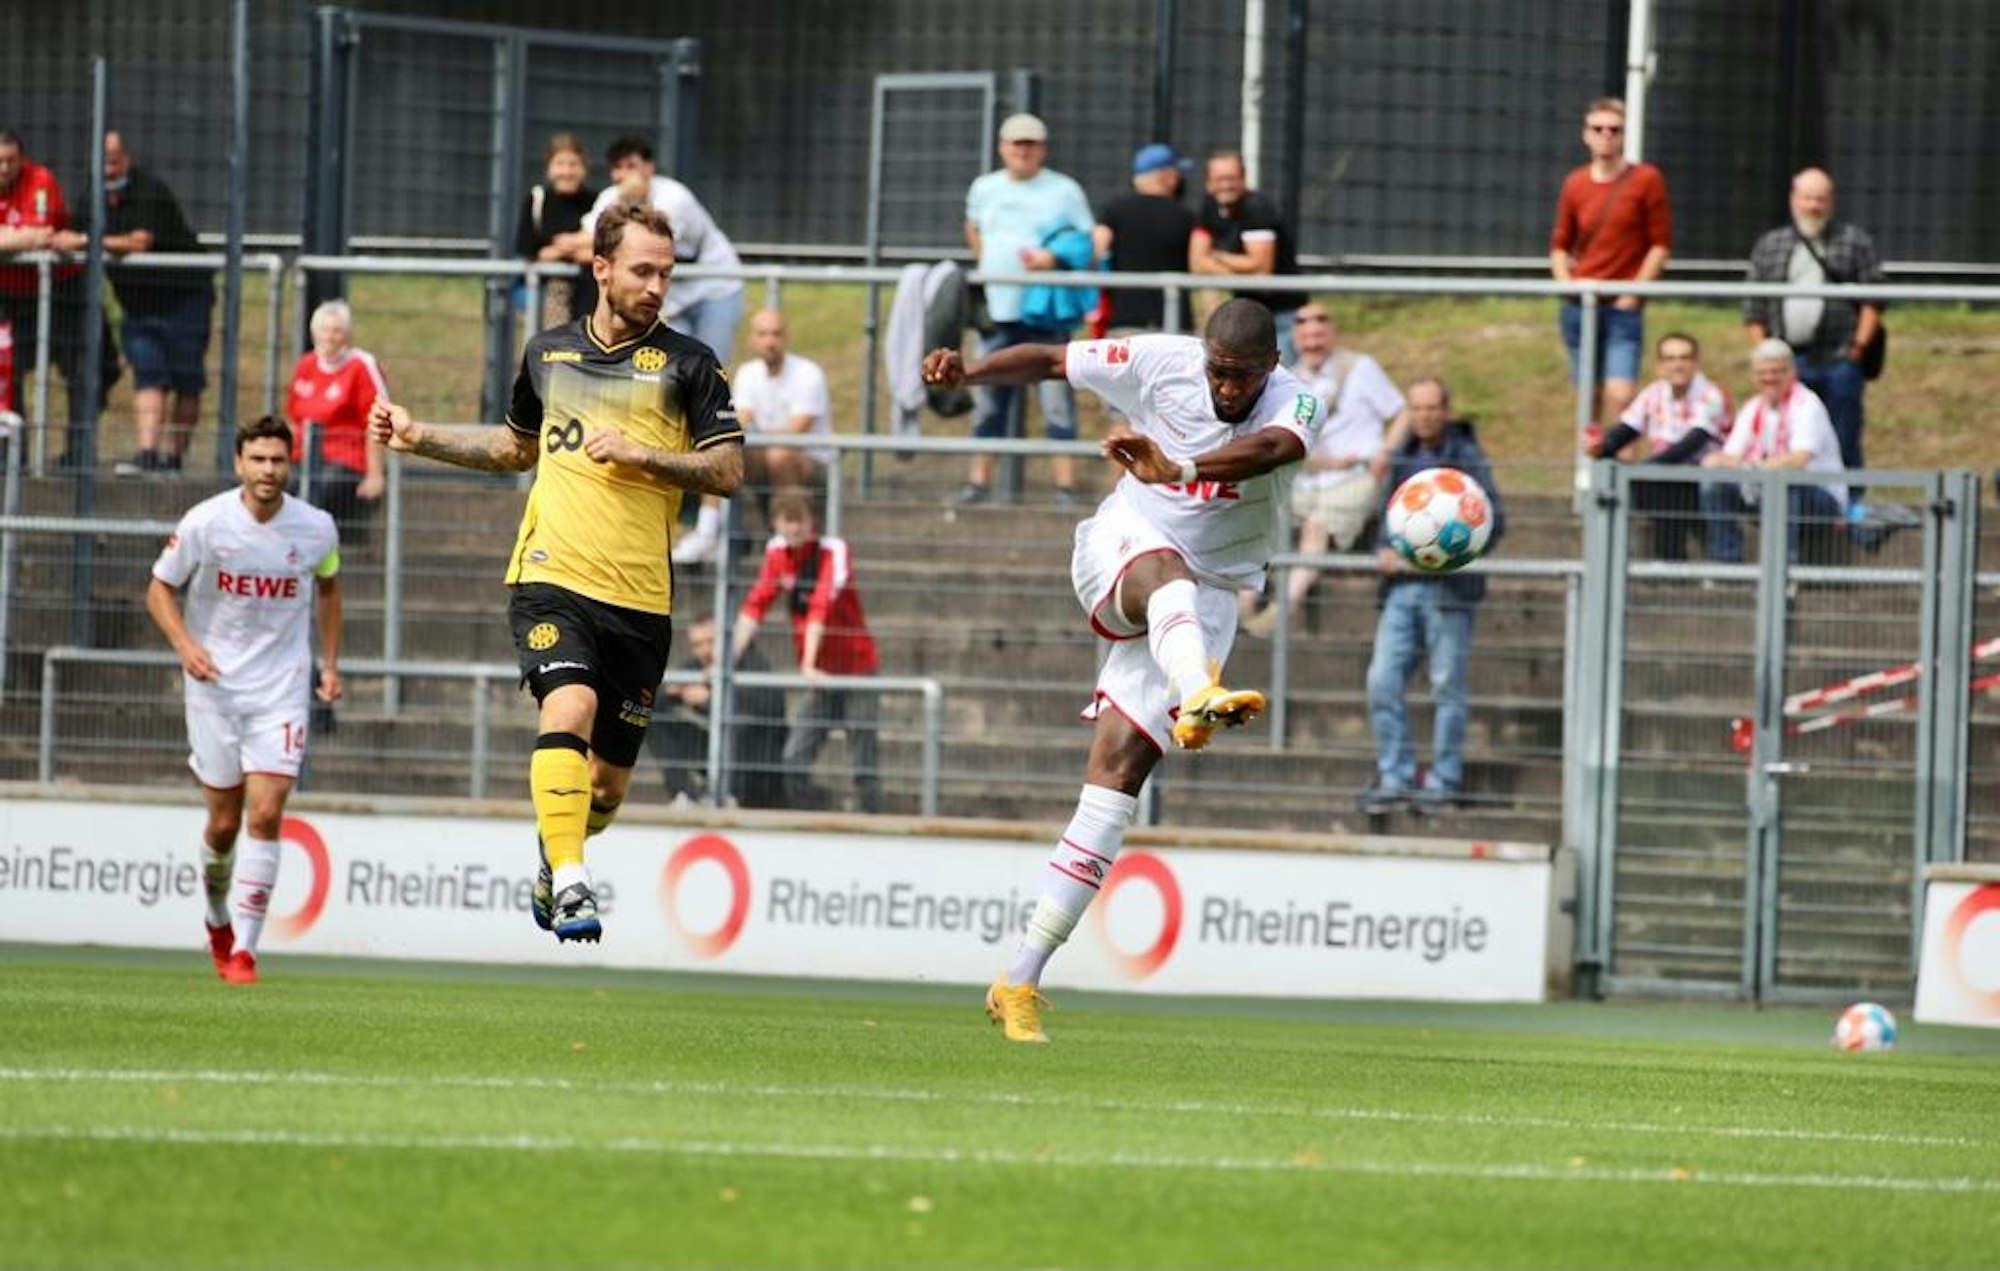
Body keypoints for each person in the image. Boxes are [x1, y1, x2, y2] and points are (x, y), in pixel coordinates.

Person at [922, 298, 1322, 1043]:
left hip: (1206, 598)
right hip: (1124, 545)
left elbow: (1271, 450)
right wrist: (968, 373)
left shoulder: (1298, 401)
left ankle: (1018, 978)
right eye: (1217, 372)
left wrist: (1182, 465)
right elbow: (1051, 359)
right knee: (1165, 570)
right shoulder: (1160, 361)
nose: (1225, 387)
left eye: (1241, 376)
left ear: (1271, 365)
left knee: (1113, 784)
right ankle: (1198, 691)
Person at [369, 203, 743, 944]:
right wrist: (420, 439)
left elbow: (728, 470)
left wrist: (644, 456)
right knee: (567, 707)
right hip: (552, 575)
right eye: (642, 270)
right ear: (600, 268)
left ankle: (557, 850)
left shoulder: (691, 363)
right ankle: (572, 880)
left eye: (666, 273)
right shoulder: (547, 353)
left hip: (640, 599)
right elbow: (517, 449)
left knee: (605, 786)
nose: (656, 286)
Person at [145, 415, 343, 987]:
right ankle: (216, 917)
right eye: (258, 459)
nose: (268, 470)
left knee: (266, 813)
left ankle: (246, 952)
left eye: (277, 460)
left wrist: (330, 664)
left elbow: (330, 587)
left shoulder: (317, 528)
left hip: (282, 689)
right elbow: (159, 588)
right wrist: (185, 646)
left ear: (290, 464)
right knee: (225, 823)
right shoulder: (206, 522)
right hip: (215, 689)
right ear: (239, 463)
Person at [1360, 378, 1507, 816]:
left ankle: (1443, 781)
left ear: (1445, 410)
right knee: (1382, 683)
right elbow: (1386, 519)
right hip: (1402, 591)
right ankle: (1395, 777)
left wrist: (1456, 552)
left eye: (1431, 408)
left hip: (1449, 591)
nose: (1424, 416)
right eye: (1416, 408)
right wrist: (1384, 549)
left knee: (1447, 687)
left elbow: (1495, 520)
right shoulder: (1402, 457)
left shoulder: (1468, 457)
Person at [950, 112, 1094, 507]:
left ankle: (1065, 487)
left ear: (1042, 148)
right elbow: (974, 229)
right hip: (996, 311)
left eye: (1030, 143)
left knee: (1056, 401)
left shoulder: (1064, 190)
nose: (1023, 150)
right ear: (1003, 147)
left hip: (1045, 312)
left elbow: (1086, 240)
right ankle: (979, 483)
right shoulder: (985, 187)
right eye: (1017, 143)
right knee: (987, 397)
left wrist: (1053, 259)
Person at [58, 132, 214, 478]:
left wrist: (86, 240)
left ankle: (174, 459)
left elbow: (139, 242)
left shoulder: (148, 189)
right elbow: (71, 235)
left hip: (185, 296)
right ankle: (147, 453)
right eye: (103, 161)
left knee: (186, 378)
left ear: (126, 158)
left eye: (114, 160)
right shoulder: (90, 196)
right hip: (139, 304)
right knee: (148, 375)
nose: (109, 169)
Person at [1243, 303, 1404, 636]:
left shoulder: (1360, 368)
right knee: (1258, 513)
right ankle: (1243, 605)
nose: (1313, 342)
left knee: (1315, 528)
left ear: (1332, 333)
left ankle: (1280, 613)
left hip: (1355, 477)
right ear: (1295, 339)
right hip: (1305, 479)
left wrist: (1385, 451)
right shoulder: (1288, 378)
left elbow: (1402, 412)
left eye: (1319, 333)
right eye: (1306, 335)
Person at [732, 486, 883, 814]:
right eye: (787, 520)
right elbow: (756, 605)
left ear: (813, 521)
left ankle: (868, 820)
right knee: (794, 759)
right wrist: (727, 661)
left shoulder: (834, 551)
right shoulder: (777, 553)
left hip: (855, 670)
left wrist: (808, 664)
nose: (794, 528)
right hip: (818, 675)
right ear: (775, 523)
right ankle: (823, 814)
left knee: (864, 763)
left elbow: (821, 606)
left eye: (800, 520)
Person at [1742, 167, 1885, 485]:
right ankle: (1790, 500)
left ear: (1831, 201)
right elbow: (1753, 305)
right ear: (1793, 199)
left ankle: (1849, 504)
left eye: (1820, 199)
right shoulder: (1771, 243)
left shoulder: (1853, 241)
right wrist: (1766, 354)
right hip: (1787, 361)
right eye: (1807, 198)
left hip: (1839, 358)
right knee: (1786, 436)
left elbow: (1874, 299)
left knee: (1845, 435)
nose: (1813, 205)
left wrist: (1858, 348)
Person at [1548, 98, 1672, 436]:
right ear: (1586, 134)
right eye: (1598, 129)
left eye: (1614, 130)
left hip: (1622, 305)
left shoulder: (1646, 180)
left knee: (1623, 396)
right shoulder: (1575, 183)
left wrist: (1634, 291)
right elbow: (1560, 244)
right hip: (1582, 304)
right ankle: (1589, 462)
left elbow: (1660, 244)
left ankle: (1622, 462)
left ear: (1624, 135)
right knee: (1588, 396)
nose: (1606, 136)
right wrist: (1567, 286)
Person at [674, 307, 832, 565]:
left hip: (812, 463)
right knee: (721, 450)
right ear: (752, 338)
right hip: (766, 457)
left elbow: (797, 430)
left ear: (786, 337)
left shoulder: (808, 373)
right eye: (763, 334)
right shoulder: (748, 373)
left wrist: (753, 433)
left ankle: (786, 538)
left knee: (780, 455)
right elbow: (742, 422)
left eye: (776, 334)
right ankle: (707, 531)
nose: (770, 341)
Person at [0, 129, 118, 465]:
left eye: (10, 161)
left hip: (61, 290)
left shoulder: (40, 180)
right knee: (6, 373)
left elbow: (42, 234)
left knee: (82, 371)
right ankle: (12, 458)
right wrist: (18, 238)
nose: (4, 168)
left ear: (22, 159)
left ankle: (78, 456)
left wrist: (13, 238)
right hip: (9, 296)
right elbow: (28, 237)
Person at [578, 134, 743, 364]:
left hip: (714, 287)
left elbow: (644, 246)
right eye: (618, 167)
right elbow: (585, 239)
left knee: (709, 365)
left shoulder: (674, 197)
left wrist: (590, 247)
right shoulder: (611, 196)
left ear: (649, 167)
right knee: (671, 366)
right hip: (669, 294)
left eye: (631, 166)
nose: (625, 174)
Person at [1699, 338, 1847, 565]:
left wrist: (1751, 468)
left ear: (1792, 372)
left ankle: (1783, 568)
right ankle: (1725, 563)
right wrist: (1715, 461)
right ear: (1753, 375)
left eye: (1776, 372)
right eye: (1762, 372)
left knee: (1783, 482)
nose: (1769, 378)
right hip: (1762, 489)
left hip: (1819, 499)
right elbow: (1731, 455)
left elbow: (1799, 460)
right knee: (1713, 482)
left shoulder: (1807, 404)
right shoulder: (1754, 406)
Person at [1587, 331, 1729, 560]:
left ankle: (1679, 561)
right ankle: (1654, 560)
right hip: (1663, 478)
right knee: (1617, 471)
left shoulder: (1711, 394)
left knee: (1657, 484)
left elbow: (1693, 442)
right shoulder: (1653, 393)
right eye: (1670, 359)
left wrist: (1645, 469)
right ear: (1659, 365)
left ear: (1696, 362)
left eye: (1684, 358)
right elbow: (1626, 430)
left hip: (1703, 479)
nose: (1677, 365)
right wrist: (1601, 448)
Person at [648, 616, 787, 809]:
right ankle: (687, 795)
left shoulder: (753, 663)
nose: (705, 650)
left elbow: (765, 712)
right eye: (697, 644)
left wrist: (710, 701)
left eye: (711, 641)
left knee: (744, 727)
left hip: (754, 762)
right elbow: (662, 693)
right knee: (652, 714)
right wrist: (673, 693)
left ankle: (730, 796)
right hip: (714, 751)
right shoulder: (697, 665)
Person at [285, 299, 388, 534]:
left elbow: (377, 422)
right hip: (303, 456)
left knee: (322, 490)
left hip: (345, 459)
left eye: (337, 330)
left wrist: (375, 475)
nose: (330, 337)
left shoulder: (360, 366)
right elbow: (293, 418)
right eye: (325, 330)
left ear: (347, 335)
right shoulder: (306, 365)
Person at [1188, 151, 1299, 361]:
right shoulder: (1210, 206)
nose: (1225, 185)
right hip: (1246, 315)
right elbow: (1197, 262)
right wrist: (1238, 271)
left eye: (1231, 178)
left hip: (1282, 314)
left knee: (1282, 374)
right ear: (1208, 183)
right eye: (1219, 179)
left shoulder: (1257, 208)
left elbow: (1262, 266)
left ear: (1243, 178)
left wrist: (1218, 257)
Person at [1092, 142, 1196, 334]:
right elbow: (1200, 263)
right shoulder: (1186, 216)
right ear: (1166, 176)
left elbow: (1096, 251)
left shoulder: (1114, 210)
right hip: (1174, 325)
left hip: (1124, 323)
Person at [514, 131, 599, 330]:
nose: (567, 172)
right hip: (547, 293)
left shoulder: (597, 201)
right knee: (555, 341)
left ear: (584, 168)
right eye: (560, 164)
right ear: (549, 168)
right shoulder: (537, 200)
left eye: (573, 164)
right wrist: (573, 249)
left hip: (591, 291)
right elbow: (527, 247)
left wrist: (567, 249)